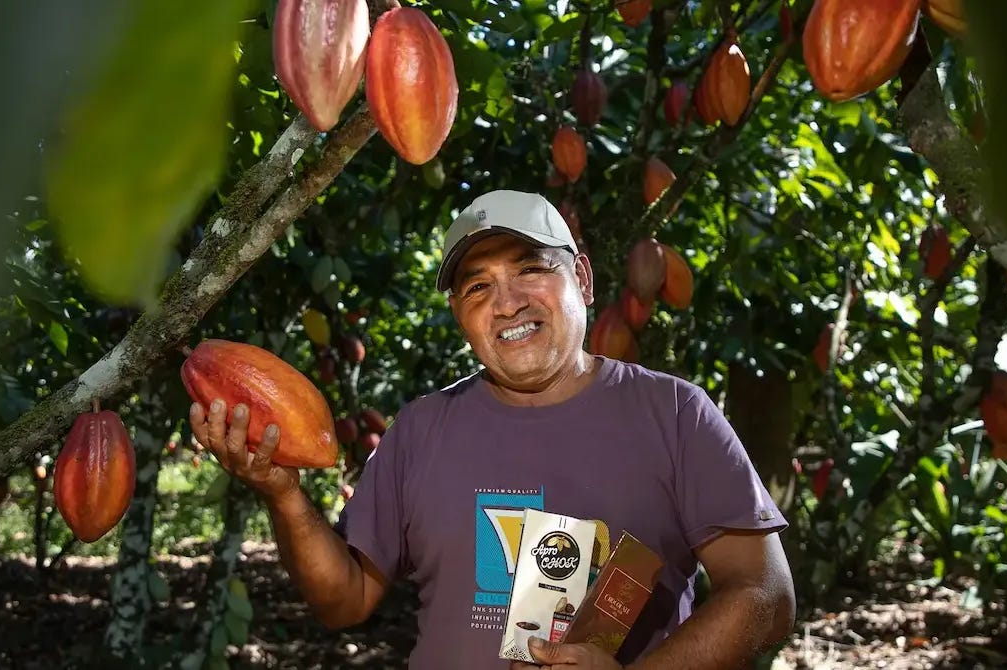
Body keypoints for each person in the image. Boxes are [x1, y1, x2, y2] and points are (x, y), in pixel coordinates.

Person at [188, 189, 796, 669]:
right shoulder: (421, 430)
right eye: (478, 286)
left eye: (530, 269)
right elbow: (344, 601)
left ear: (581, 279)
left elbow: (765, 595)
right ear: (459, 315)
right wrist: (285, 496)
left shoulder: (674, 414)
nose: (507, 302)